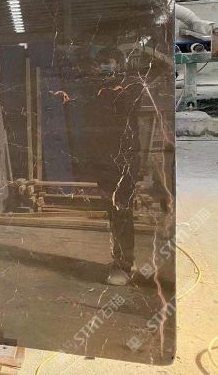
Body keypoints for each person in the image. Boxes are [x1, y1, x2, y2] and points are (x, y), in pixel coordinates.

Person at [84, 47, 144, 286]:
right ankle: (123, 259)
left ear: (119, 63)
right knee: (113, 211)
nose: (104, 67)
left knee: (121, 211)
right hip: (104, 159)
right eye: (100, 63)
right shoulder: (97, 88)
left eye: (108, 62)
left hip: (125, 159)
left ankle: (123, 265)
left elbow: (126, 110)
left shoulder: (131, 85)